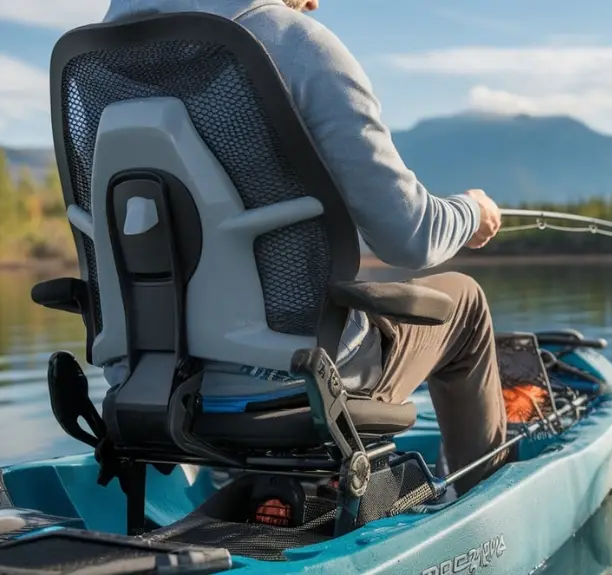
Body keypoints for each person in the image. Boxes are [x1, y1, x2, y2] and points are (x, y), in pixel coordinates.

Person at [100, 0, 509, 494]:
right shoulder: (293, 43)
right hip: (301, 377)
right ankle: (480, 499)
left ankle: (243, 479)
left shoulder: (100, 59)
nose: (313, 4)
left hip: (145, 383)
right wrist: (472, 211)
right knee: (462, 302)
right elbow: (411, 236)